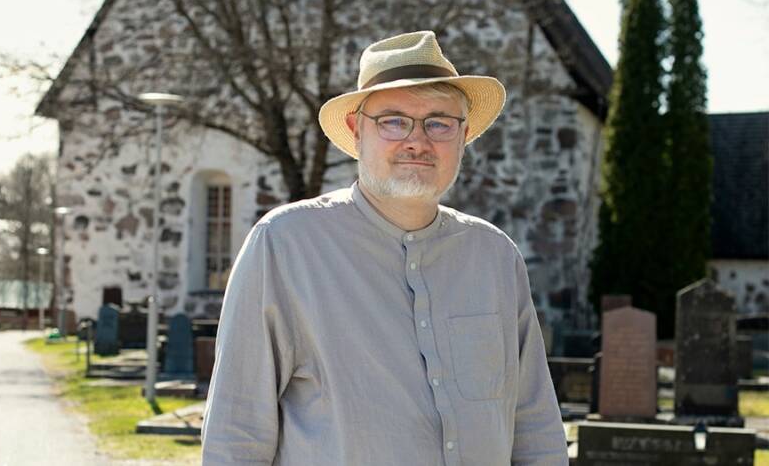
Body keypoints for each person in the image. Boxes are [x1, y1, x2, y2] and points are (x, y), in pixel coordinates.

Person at [202, 31, 568, 465]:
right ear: (357, 130)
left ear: (463, 134)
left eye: (438, 122)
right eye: (393, 120)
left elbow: (535, 427)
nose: (417, 140)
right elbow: (235, 433)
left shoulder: (495, 258)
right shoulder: (284, 245)